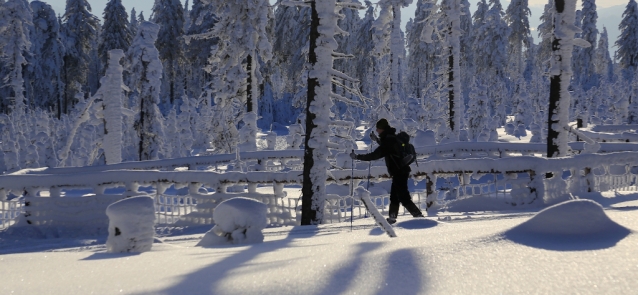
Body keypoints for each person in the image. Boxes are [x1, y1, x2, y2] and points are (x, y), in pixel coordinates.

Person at [350, 118, 424, 224]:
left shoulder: (388, 140)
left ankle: (419, 217)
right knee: (394, 196)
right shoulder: (390, 137)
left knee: (404, 197)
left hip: (399, 171)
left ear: (382, 129)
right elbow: (389, 148)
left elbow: (375, 155)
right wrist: (377, 140)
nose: (377, 130)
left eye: (378, 128)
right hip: (400, 171)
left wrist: (357, 157)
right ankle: (392, 217)